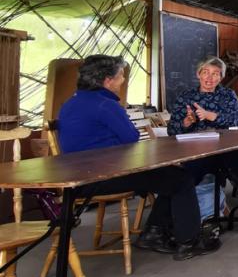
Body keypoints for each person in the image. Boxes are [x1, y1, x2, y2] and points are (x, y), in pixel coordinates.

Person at [58, 55, 216, 260]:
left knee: (170, 176)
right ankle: (189, 241)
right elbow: (131, 138)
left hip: (78, 174)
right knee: (181, 179)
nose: (123, 80)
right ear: (107, 80)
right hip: (103, 176)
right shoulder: (106, 105)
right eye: (121, 76)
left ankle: (155, 233)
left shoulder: (71, 102)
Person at [168, 55, 238, 195]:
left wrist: (209, 115)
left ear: (221, 77)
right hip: (196, 151)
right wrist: (186, 122)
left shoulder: (228, 95)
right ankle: (186, 207)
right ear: (198, 74)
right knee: (188, 174)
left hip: (226, 147)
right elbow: (171, 130)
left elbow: (236, 120)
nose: (209, 78)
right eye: (205, 72)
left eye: (215, 74)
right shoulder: (186, 97)